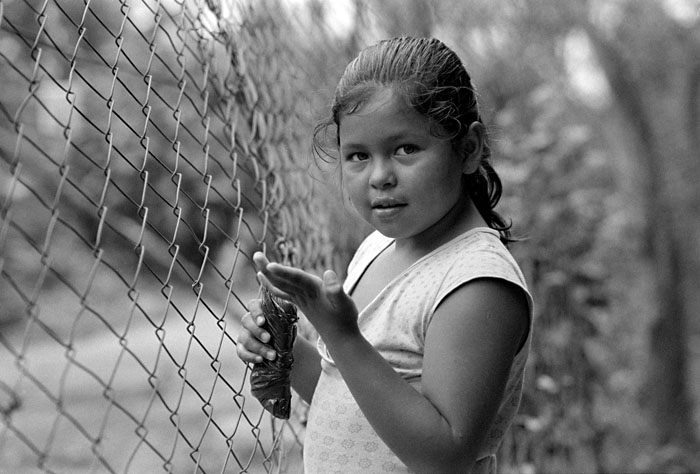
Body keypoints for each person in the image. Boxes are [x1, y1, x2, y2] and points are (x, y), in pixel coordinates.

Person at [236, 36, 533, 474]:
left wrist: (342, 335)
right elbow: (357, 399)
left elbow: (444, 455)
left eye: (405, 149)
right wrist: (288, 355)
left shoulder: (476, 284)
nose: (380, 177)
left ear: (468, 149)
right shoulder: (379, 246)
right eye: (358, 155)